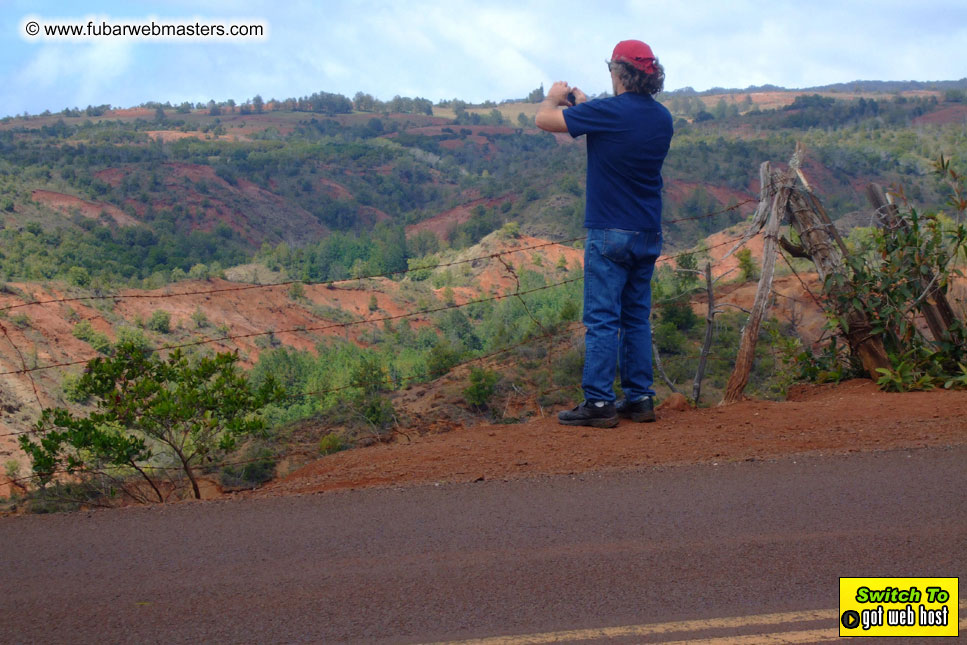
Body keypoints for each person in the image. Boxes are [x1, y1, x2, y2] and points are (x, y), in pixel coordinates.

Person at [536, 39, 673, 428]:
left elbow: (544, 121)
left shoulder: (607, 112)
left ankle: (598, 403)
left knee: (601, 319)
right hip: (648, 230)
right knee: (636, 318)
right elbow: (618, 125)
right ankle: (640, 399)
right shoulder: (662, 118)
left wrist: (553, 98)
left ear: (618, 72)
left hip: (609, 231)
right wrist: (585, 104)